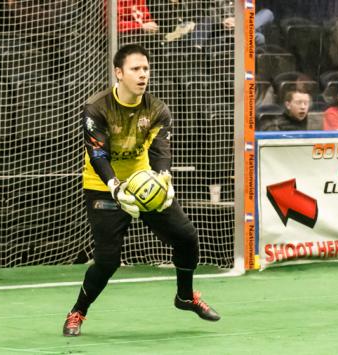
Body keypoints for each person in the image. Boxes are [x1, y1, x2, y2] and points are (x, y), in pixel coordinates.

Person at [62, 44, 220, 337]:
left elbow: (161, 151)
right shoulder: (96, 107)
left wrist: (164, 179)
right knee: (107, 261)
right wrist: (115, 187)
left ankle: (185, 297)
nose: (143, 74)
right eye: (136, 69)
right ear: (118, 73)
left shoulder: (158, 109)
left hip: (144, 185)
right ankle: (77, 312)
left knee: (187, 237)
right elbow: (97, 155)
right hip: (103, 188)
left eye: (146, 68)